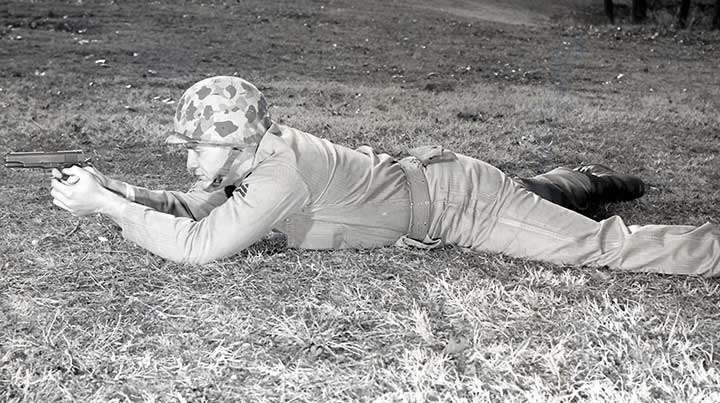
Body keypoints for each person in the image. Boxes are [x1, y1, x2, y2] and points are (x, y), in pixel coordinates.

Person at [50, 76, 719, 276]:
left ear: (238, 140)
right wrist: (115, 188)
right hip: (446, 180)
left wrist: (106, 209)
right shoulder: (260, 155)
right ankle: (582, 178)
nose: (190, 156)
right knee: (544, 194)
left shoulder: (279, 170)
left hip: (462, 205)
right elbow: (195, 204)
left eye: (198, 144)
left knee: (594, 245)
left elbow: (198, 244)